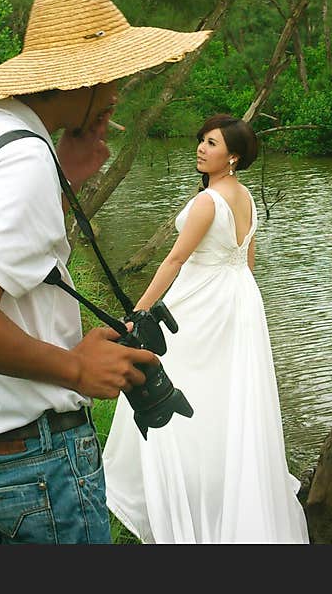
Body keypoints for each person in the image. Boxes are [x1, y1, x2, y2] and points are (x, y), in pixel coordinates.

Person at [0, 0, 210, 544]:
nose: (116, 93)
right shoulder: (26, 157)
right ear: (79, 80)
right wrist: (76, 366)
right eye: (113, 78)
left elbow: (5, 266)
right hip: (35, 460)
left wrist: (66, 183)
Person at [102, 113, 310, 543]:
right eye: (201, 140)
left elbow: (175, 260)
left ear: (232, 156)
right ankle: (219, 489)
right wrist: (243, 309)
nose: (201, 147)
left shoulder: (208, 201)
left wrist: (137, 315)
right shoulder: (246, 198)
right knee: (226, 393)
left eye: (211, 143)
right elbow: (246, 263)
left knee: (171, 379)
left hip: (202, 301)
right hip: (238, 301)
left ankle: (179, 491)